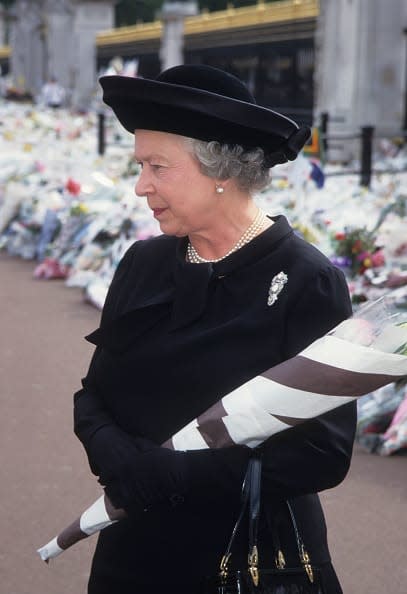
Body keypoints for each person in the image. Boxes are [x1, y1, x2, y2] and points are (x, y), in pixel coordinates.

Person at [73, 65, 356, 594]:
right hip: (134, 552)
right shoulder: (143, 262)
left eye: (158, 167)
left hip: (247, 560)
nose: (140, 187)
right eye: (140, 165)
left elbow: (323, 452)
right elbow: (93, 395)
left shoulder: (307, 281)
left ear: (220, 170)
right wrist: (112, 450)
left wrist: (177, 475)